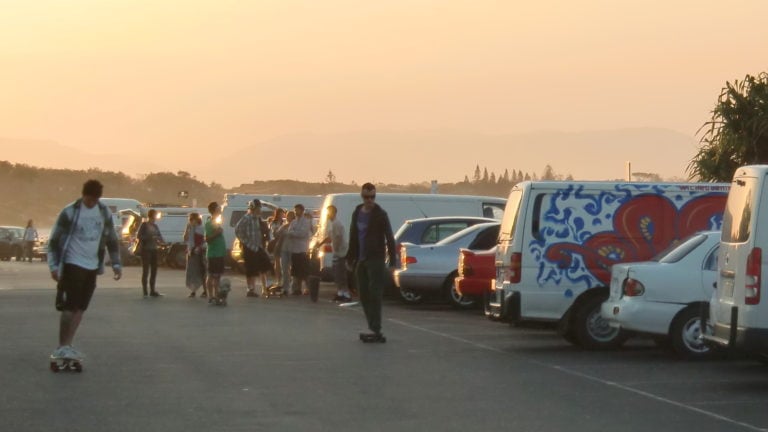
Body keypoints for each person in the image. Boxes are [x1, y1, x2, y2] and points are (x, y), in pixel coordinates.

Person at [47, 179, 122, 361]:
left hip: (92, 265)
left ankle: (68, 344)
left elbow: (112, 239)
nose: (92, 203)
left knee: (81, 307)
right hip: (72, 262)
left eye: (95, 200)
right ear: (83, 195)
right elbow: (54, 241)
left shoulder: (103, 212)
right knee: (69, 306)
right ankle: (61, 345)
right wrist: (54, 266)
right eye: (90, 199)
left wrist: (116, 263)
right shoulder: (70, 212)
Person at [346, 183, 396, 342]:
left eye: (372, 197)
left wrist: (392, 261)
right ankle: (372, 325)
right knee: (363, 294)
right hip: (361, 259)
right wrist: (349, 257)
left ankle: (376, 328)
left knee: (375, 294)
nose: (369, 200)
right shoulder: (357, 212)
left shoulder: (381, 214)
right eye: (366, 197)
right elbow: (353, 235)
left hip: (375, 259)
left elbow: (389, 237)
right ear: (362, 196)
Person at [235, 199, 272, 297]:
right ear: (253, 208)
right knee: (251, 269)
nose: (260, 209)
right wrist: (246, 242)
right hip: (249, 247)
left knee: (266, 265)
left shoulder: (258, 218)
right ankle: (250, 289)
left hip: (258, 246)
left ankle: (265, 288)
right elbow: (238, 230)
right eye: (259, 207)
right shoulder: (247, 218)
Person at [318, 205, 351, 302]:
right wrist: (320, 244)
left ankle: (346, 293)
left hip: (341, 252)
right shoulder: (331, 224)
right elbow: (329, 237)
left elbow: (338, 238)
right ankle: (340, 292)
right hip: (337, 252)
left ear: (334, 213)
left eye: (329, 212)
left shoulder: (337, 223)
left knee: (341, 273)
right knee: (337, 273)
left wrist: (336, 250)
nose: (328, 214)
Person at [136, 209, 165, 297]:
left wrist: (161, 241)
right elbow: (139, 236)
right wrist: (150, 237)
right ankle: (145, 291)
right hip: (146, 250)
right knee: (146, 270)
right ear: (151, 216)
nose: (156, 217)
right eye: (155, 215)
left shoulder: (155, 226)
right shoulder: (144, 225)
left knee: (154, 270)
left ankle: (152, 290)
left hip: (154, 249)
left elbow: (159, 236)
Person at [286, 204, 312, 295]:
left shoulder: (306, 222)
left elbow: (303, 233)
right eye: (295, 210)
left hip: (303, 250)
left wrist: (294, 233)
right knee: (295, 271)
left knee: (304, 271)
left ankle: (309, 288)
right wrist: (295, 233)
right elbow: (289, 232)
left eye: (297, 210)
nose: (296, 212)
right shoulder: (293, 222)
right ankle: (297, 289)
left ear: (302, 210)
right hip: (294, 250)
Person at [204, 201, 226, 303]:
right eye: (218, 208)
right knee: (212, 275)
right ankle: (212, 295)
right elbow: (207, 239)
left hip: (220, 253)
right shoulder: (209, 223)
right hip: (213, 253)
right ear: (214, 210)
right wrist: (217, 233)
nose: (220, 209)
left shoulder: (217, 222)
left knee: (217, 275)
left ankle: (216, 295)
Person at [183, 212, 206, 298]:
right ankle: (193, 290)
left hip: (199, 252)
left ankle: (205, 290)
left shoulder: (200, 228)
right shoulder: (190, 228)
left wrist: (199, 248)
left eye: (193, 219)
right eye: (190, 219)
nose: (191, 221)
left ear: (197, 220)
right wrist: (187, 229)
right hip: (191, 251)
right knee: (192, 272)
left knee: (201, 271)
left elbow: (203, 240)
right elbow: (185, 239)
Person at [274, 210, 295, 293]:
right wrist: (278, 230)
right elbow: (276, 234)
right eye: (288, 216)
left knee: (293, 269)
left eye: (291, 216)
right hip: (284, 249)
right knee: (284, 268)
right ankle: (286, 287)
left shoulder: (295, 225)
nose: (289, 218)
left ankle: (293, 286)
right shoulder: (284, 226)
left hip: (293, 249)